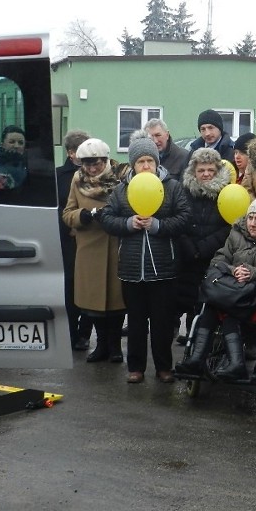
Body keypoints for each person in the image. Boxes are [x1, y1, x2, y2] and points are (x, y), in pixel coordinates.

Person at [99, 137, 189, 384]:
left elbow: (184, 218)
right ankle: (135, 367)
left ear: (157, 161)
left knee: (162, 323)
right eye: (141, 161)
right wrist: (128, 223)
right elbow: (106, 218)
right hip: (130, 269)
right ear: (133, 164)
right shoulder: (121, 190)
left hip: (164, 269)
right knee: (136, 323)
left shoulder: (172, 187)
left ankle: (164, 368)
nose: (146, 165)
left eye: (150, 160)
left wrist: (159, 225)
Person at [175, 188, 256, 381]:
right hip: (232, 293)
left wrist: (253, 274)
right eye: (250, 218)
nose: (252, 223)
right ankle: (197, 360)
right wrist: (232, 270)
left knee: (230, 312)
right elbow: (218, 260)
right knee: (209, 309)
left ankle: (237, 365)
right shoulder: (236, 235)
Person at [62, 138, 126, 364]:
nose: (90, 169)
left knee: (117, 301)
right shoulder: (77, 179)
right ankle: (101, 345)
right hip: (89, 247)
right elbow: (68, 212)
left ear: (106, 159)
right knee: (93, 302)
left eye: (95, 163)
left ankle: (115, 346)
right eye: (86, 164)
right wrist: (83, 216)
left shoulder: (122, 177)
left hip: (116, 244)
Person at [174, 148, 232, 345]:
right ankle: (191, 343)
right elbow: (178, 220)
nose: (206, 174)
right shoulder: (183, 191)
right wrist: (189, 246)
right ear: (194, 171)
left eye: (210, 170)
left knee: (208, 304)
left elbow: (229, 226)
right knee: (189, 301)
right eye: (201, 170)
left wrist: (205, 247)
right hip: (188, 257)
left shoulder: (226, 192)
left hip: (213, 258)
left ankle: (205, 347)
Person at [56, 129, 92, 351]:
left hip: (91, 239)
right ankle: (70, 333)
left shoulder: (96, 173)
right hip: (68, 241)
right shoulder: (59, 176)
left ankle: (85, 333)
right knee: (70, 287)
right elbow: (56, 208)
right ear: (71, 153)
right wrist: (69, 227)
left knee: (89, 286)